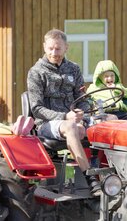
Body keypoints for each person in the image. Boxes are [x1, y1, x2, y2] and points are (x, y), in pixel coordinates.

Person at [27, 29, 110, 196]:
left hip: (74, 119)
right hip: (47, 124)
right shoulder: (36, 72)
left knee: (110, 120)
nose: (54, 53)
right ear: (44, 47)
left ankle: (113, 173)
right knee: (72, 127)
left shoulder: (74, 69)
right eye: (50, 48)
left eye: (58, 49)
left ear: (66, 48)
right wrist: (65, 116)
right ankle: (90, 179)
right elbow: (36, 109)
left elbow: (82, 99)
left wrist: (84, 113)